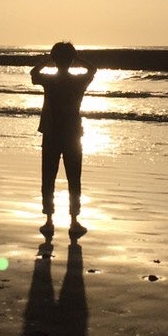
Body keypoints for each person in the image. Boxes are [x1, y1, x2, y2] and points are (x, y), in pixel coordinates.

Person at [30, 42, 97, 238]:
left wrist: (48, 60)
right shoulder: (78, 81)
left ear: (55, 59)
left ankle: (49, 220)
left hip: (51, 133)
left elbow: (34, 73)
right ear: (70, 59)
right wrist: (77, 58)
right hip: (72, 133)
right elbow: (93, 69)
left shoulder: (50, 81)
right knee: (74, 177)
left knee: (48, 176)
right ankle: (74, 221)